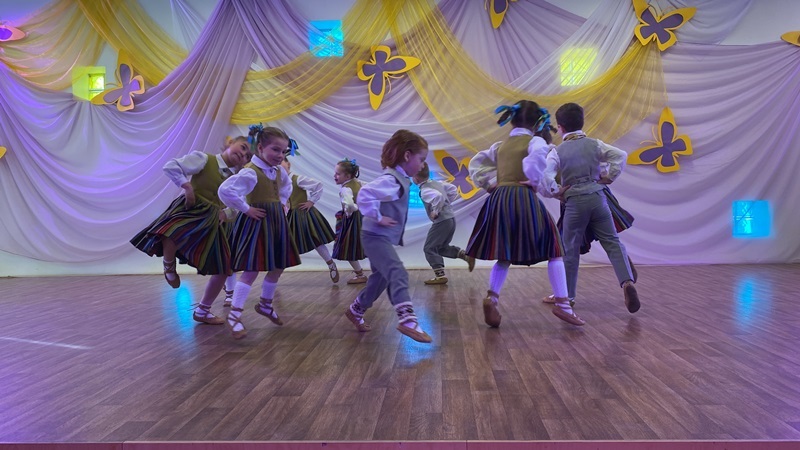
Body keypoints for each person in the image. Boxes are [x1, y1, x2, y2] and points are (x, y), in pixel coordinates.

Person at [466, 100, 584, 327]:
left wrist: (487, 185)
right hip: (521, 197)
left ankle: (492, 297)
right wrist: (538, 182)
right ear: (538, 123)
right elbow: (537, 161)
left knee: (505, 252)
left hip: (499, 199)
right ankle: (563, 305)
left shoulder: (501, 146)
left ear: (512, 120)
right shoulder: (535, 141)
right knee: (554, 248)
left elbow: (476, 163)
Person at [131, 136, 250, 325]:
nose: (242, 154)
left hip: (214, 219)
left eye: (246, 155)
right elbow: (171, 166)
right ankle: (169, 265)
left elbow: (240, 204)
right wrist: (186, 186)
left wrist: (226, 213)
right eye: (242, 147)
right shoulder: (204, 159)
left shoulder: (237, 179)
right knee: (172, 229)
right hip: (193, 207)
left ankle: (203, 310)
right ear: (230, 143)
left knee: (224, 268)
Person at [542, 102, 639, 314]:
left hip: (575, 202)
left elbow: (545, 177)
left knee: (570, 249)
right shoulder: (595, 144)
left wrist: (556, 191)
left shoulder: (557, 152)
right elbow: (620, 155)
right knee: (612, 242)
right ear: (582, 122)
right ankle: (627, 282)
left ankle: (568, 297)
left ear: (560, 127)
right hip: (597, 198)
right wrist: (609, 177)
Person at [343, 130, 434, 343]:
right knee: (396, 271)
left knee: (381, 278)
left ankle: (356, 310)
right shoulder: (391, 180)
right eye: (421, 159)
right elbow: (365, 194)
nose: (422, 165)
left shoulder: (399, 179)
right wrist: (377, 217)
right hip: (374, 236)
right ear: (407, 155)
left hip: (377, 236)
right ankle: (408, 320)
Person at [218, 125, 301, 339]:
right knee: (252, 269)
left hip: (275, 221)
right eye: (275, 150)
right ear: (261, 148)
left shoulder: (278, 171)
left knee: (278, 265)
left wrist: (282, 203)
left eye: (283, 151)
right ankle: (235, 314)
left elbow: (286, 188)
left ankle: (265, 304)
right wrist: (246, 209)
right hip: (258, 222)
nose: (280, 155)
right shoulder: (250, 172)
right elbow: (225, 190)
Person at [412, 161, 475, 284]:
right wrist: (447, 204)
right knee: (440, 248)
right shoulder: (437, 183)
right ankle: (465, 255)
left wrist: (436, 211)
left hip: (442, 221)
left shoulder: (425, 190)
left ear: (416, 178)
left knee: (429, 248)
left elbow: (438, 197)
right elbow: (453, 190)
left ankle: (440, 276)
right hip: (450, 219)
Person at [281, 156, 339, 282]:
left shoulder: (298, 179)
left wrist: (311, 201)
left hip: (304, 215)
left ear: (288, 164)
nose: (279, 166)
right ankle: (276, 273)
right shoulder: (280, 183)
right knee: (286, 244)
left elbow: (318, 185)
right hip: (291, 216)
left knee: (316, 240)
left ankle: (330, 264)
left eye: (281, 163)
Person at [331, 158, 368, 284]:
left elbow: (350, 205)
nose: (334, 176)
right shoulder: (359, 183)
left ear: (347, 176)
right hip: (364, 218)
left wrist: (351, 211)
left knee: (347, 247)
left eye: (337, 174)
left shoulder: (345, 189)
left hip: (352, 221)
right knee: (364, 245)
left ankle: (360, 274)